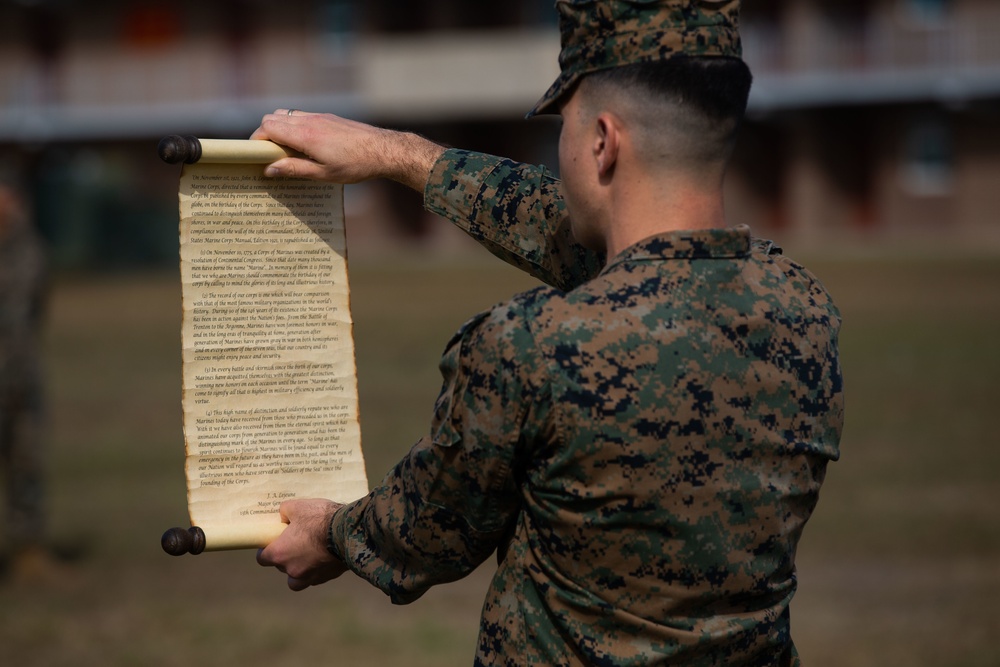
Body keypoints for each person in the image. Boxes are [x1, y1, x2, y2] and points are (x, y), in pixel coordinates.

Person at [254, 1, 844, 664]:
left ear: (601, 141)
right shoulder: (806, 314)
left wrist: (330, 532)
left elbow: (423, 536)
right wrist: (393, 155)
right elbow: (612, 242)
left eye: (563, 126)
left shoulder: (529, 349)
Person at [0, 171, 51, 583]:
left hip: (20, 373)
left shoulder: (29, 245)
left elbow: (35, 308)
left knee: (26, 461)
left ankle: (28, 550)